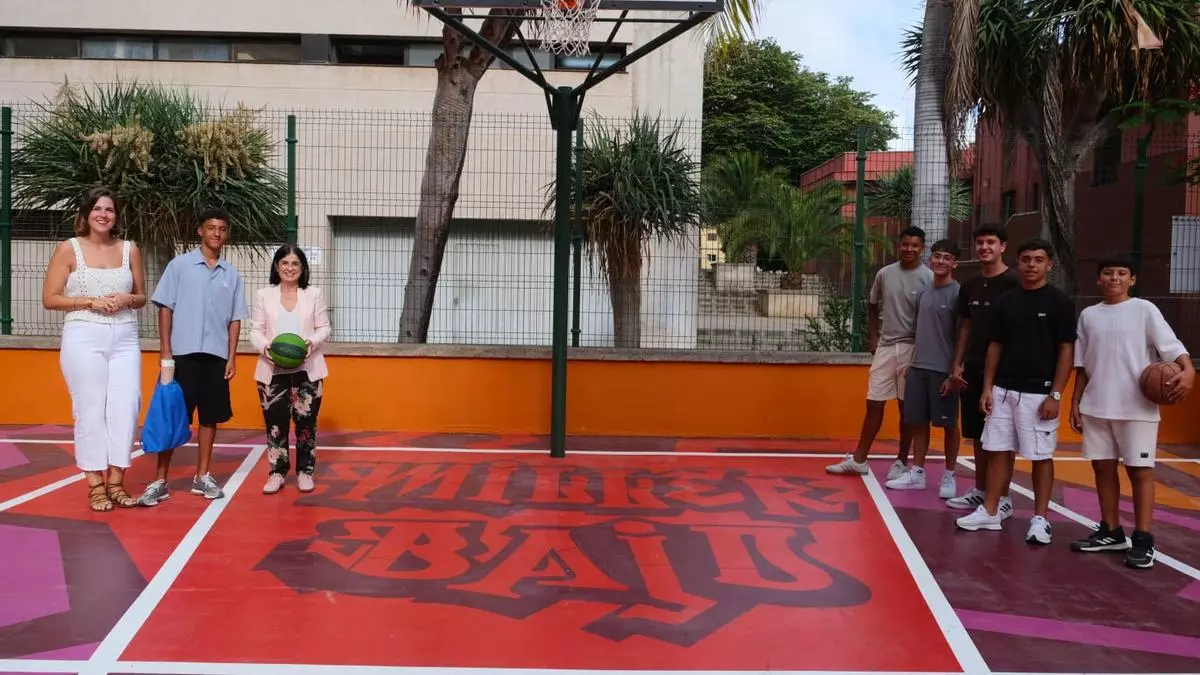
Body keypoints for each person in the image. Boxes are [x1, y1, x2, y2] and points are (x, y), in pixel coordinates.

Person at [1069, 254, 1194, 569]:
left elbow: (1172, 346)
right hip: (1096, 405)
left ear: (1132, 279)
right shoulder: (1088, 315)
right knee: (1103, 470)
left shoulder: (1144, 310)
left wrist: (1188, 370)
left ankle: (1143, 539)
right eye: (1108, 273)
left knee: (1140, 472)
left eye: (1122, 273)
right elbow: (1082, 365)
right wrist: (1075, 402)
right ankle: (1110, 531)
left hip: (1136, 406)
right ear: (1099, 279)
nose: (1114, 278)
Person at [956, 239, 1075, 545]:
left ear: (1049, 265)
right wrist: (987, 388)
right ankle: (991, 510)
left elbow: (1066, 351)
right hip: (1003, 391)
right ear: (1018, 263)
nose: (1031, 265)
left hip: (1039, 393)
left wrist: (1057, 395)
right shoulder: (1006, 302)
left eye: (1038, 259)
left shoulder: (1059, 302)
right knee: (997, 451)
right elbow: (995, 346)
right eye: (1026, 259)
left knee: (1041, 457)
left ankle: (1040, 519)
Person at [41, 187, 147, 511]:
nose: (103, 215)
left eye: (110, 210)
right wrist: (90, 300)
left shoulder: (130, 249)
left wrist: (128, 298)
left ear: (116, 216)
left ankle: (116, 481)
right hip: (83, 336)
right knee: (89, 408)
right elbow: (50, 298)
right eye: (97, 209)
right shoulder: (68, 249)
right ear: (86, 213)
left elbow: (142, 296)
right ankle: (95, 485)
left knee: (126, 405)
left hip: (125, 336)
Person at [137, 208, 247, 506]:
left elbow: (235, 319)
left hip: (215, 357)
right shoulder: (180, 266)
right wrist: (165, 353)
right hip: (181, 356)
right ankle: (160, 480)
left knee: (210, 418)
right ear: (200, 231)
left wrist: (232, 357)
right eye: (211, 227)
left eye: (222, 228)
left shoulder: (231, 274)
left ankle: (202, 476)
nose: (216, 233)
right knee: (173, 416)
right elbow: (164, 308)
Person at [827, 226, 932, 479]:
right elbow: (872, 305)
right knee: (874, 402)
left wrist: (922, 352)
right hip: (886, 346)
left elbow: (930, 318)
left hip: (912, 348)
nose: (909, 249)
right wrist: (873, 336)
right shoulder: (885, 274)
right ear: (899, 245)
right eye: (905, 244)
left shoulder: (928, 277)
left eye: (915, 245)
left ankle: (901, 461)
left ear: (922, 248)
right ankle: (860, 459)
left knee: (907, 408)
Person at [946, 226, 1020, 518]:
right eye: (980, 242)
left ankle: (1002, 497)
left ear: (1003, 246)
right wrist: (957, 362)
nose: (985, 247)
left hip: (1003, 373)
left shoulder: (1014, 282)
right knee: (978, 435)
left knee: (1001, 438)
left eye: (991, 242)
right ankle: (979, 490)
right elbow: (965, 325)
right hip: (973, 369)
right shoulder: (970, 284)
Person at [249, 245, 331, 494]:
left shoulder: (313, 294)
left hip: (308, 369)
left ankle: (305, 472)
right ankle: (277, 473)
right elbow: (255, 330)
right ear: (276, 266)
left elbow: (324, 328)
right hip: (271, 370)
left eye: (295, 263)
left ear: (302, 268)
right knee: (275, 424)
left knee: (306, 424)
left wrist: (311, 343)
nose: (290, 268)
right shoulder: (263, 295)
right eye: (285, 263)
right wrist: (267, 349)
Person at [885, 239, 961, 497]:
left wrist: (954, 371)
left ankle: (950, 476)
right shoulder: (925, 293)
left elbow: (962, 336)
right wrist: (912, 362)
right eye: (937, 256)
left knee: (949, 425)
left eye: (946, 257)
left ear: (954, 263)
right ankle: (917, 472)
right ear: (932, 260)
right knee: (917, 422)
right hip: (918, 367)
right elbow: (919, 331)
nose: (940, 261)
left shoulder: (958, 293)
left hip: (944, 371)